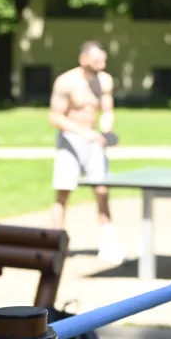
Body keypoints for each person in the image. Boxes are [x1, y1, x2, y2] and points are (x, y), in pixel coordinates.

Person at [48, 40, 126, 264]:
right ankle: (53, 245)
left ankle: (109, 245)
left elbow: (107, 111)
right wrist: (84, 133)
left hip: (94, 140)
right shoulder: (66, 82)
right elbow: (55, 117)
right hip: (71, 140)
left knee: (102, 190)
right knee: (63, 193)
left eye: (103, 59)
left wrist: (106, 131)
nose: (102, 63)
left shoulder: (105, 81)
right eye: (97, 59)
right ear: (83, 60)